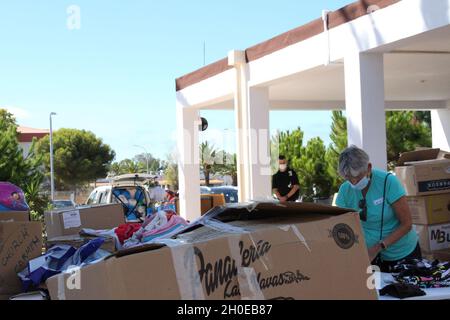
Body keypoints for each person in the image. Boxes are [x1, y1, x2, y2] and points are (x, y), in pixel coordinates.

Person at [335, 146, 421, 272]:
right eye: (348, 178)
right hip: (368, 256)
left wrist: (377, 248)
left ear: (368, 168)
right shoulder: (345, 190)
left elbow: (407, 224)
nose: (353, 182)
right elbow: (342, 225)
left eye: (357, 177)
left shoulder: (388, 182)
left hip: (402, 253)